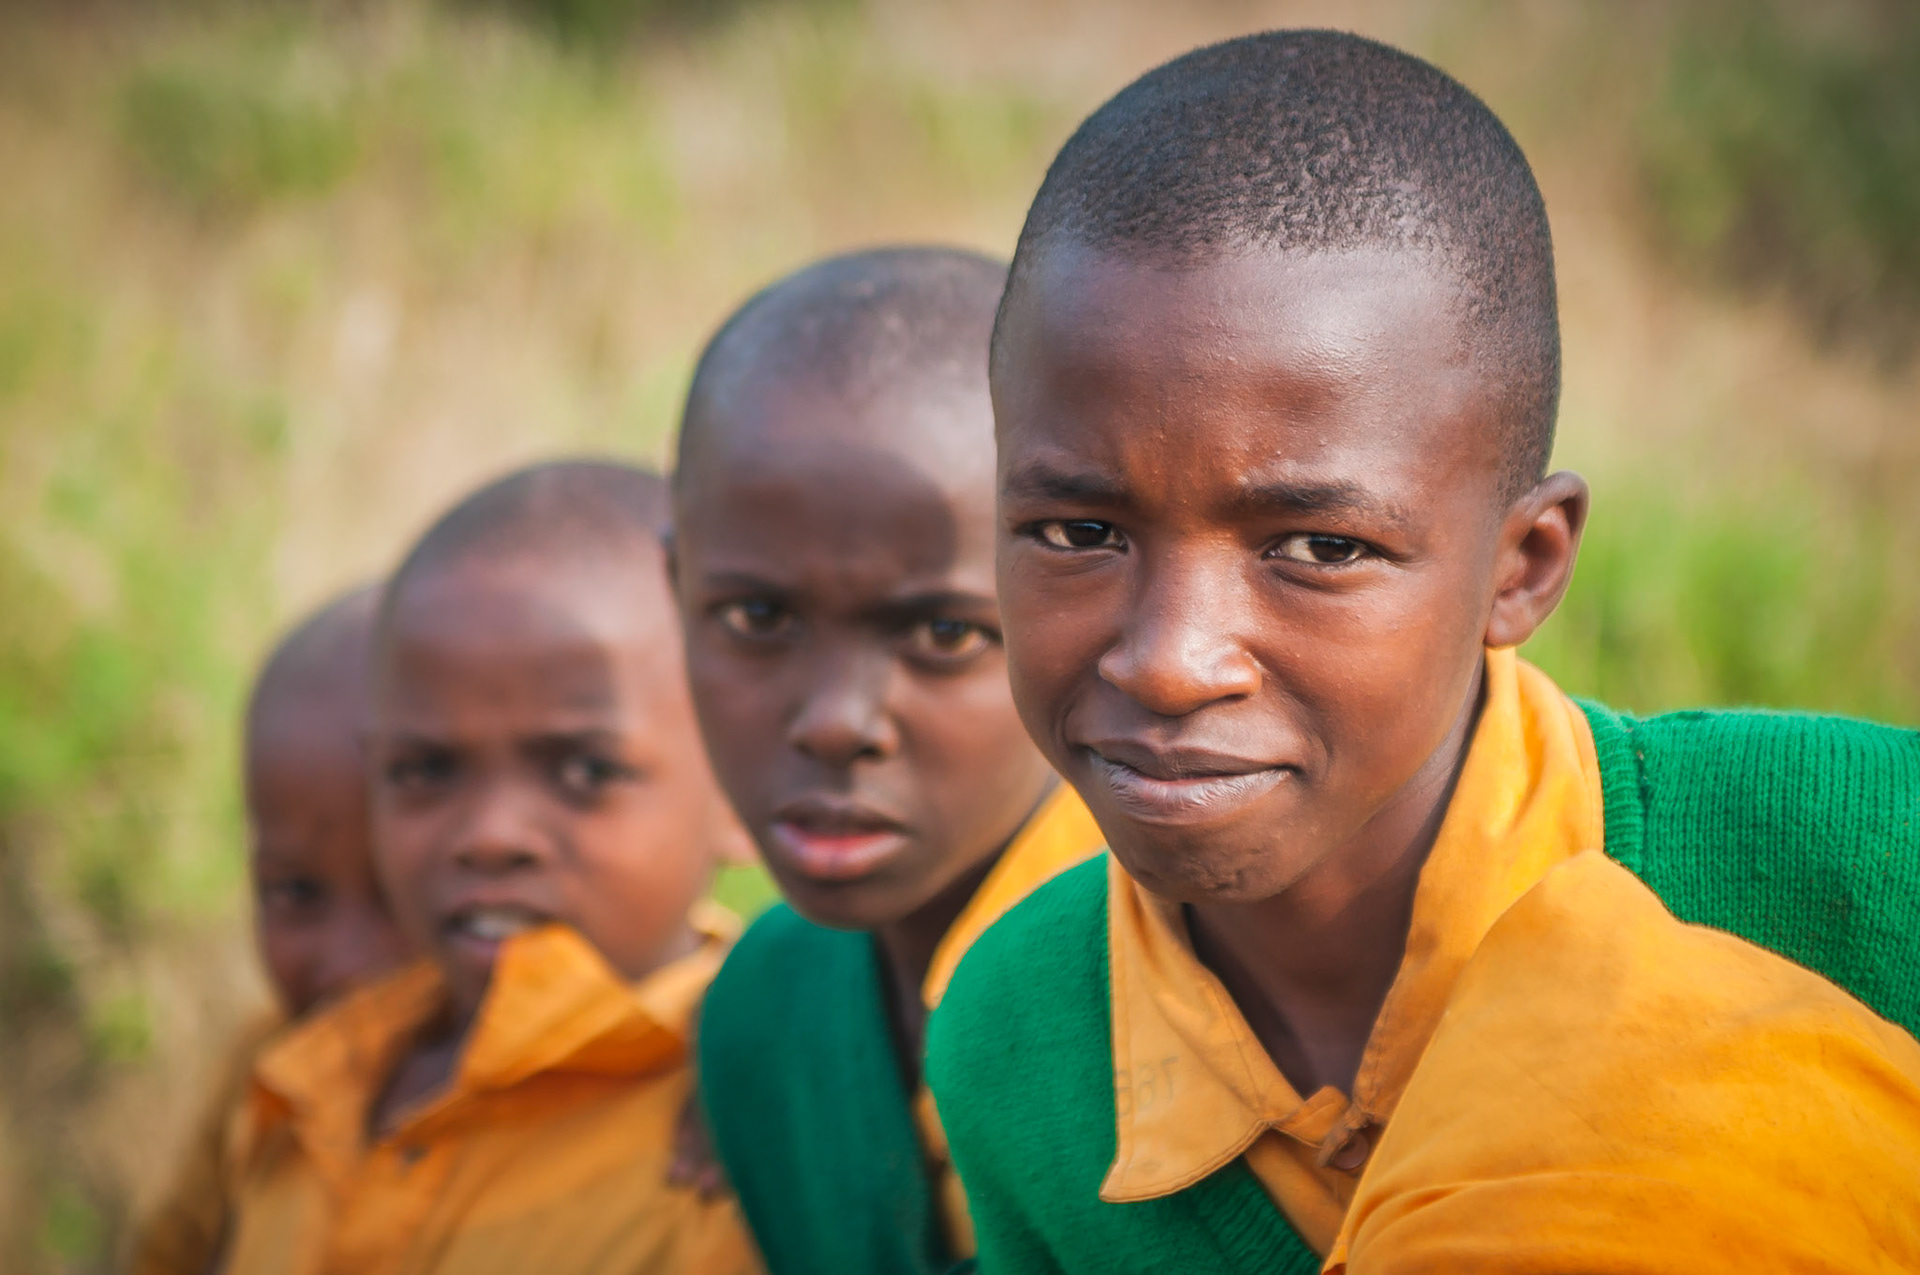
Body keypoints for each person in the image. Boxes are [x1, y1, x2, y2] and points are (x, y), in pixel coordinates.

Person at [924, 30, 1920, 1273]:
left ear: (1525, 565)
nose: (1171, 662)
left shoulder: (1866, 864)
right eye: (1079, 530)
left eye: (1320, 549)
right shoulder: (1019, 1041)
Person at [219, 460, 761, 1275]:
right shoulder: (319, 1066)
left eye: (584, 770)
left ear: (736, 788)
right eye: (427, 770)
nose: (490, 834)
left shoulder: (753, 1105)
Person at [677, 248, 1106, 1273]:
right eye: (757, 617)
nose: (836, 723)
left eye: (944, 636)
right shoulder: (768, 1013)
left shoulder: (1208, 990)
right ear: (673, 588)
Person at [131, 584, 411, 1275]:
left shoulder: (662, 1071)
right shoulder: (267, 1068)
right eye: (295, 893)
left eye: (398, 898)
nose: (350, 961)